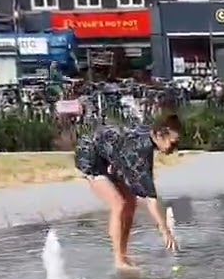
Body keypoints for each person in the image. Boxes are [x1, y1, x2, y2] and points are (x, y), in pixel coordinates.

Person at [74, 113, 181, 270]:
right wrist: (165, 231)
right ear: (159, 135)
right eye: (172, 144)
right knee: (119, 204)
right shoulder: (140, 150)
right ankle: (118, 260)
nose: (174, 149)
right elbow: (151, 198)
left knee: (131, 202)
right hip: (91, 156)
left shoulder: (148, 139)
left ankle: (123, 254)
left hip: (111, 157)